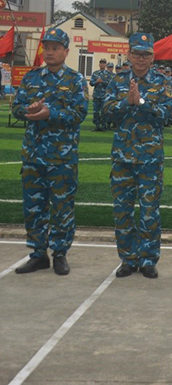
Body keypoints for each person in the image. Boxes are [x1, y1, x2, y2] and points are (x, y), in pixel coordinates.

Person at [12, 28, 88, 276]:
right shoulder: (31, 78)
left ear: (66, 51)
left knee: (62, 208)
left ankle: (59, 254)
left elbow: (79, 114)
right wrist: (30, 109)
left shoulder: (75, 81)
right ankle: (37, 255)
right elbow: (17, 108)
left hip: (62, 158)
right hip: (34, 156)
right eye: (48, 47)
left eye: (56, 48)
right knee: (33, 207)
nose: (51, 52)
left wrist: (50, 113)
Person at [104, 33, 172, 279]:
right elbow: (106, 111)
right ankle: (127, 259)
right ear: (129, 55)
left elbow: (167, 115)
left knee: (149, 211)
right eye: (136, 54)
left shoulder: (163, 82)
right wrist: (126, 103)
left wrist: (141, 102)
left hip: (150, 158)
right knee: (122, 211)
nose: (141, 59)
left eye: (146, 54)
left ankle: (148, 260)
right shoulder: (117, 80)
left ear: (153, 57)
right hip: (123, 157)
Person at [89, 58, 113, 131]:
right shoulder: (95, 73)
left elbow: (110, 84)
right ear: (99, 64)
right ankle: (97, 125)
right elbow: (91, 83)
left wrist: (102, 82)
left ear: (105, 64)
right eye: (101, 63)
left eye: (104, 63)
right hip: (96, 95)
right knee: (96, 111)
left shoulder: (108, 74)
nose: (102, 64)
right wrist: (96, 82)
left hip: (104, 96)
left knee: (104, 111)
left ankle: (103, 125)